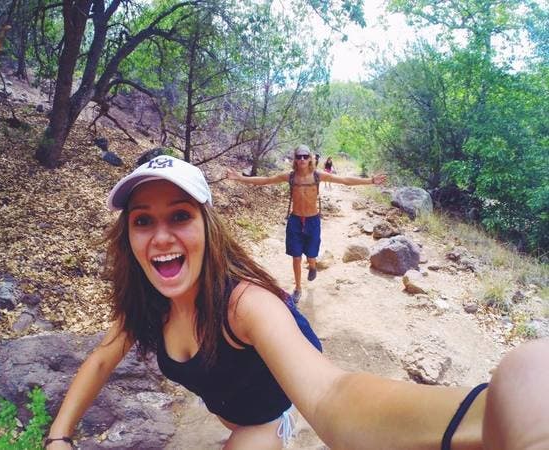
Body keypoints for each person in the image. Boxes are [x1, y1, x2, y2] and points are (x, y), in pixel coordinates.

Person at [45, 155, 549, 450]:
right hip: (230, 411)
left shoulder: (244, 305)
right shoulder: (144, 304)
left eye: (179, 216)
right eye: (142, 220)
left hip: (262, 420)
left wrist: (482, 415)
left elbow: (333, 396)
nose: (160, 236)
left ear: (205, 227)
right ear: (127, 235)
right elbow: (99, 358)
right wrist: (58, 438)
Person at [227, 144, 386, 303]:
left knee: (311, 254)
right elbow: (266, 180)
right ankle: (297, 288)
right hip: (295, 220)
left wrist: (370, 180)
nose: (302, 159)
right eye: (299, 156)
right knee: (296, 257)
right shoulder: (290, 176)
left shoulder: (317, 176)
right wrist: (240, 178)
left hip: (313, 221)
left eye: (305, 156)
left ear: (310, 158)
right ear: (295, 159)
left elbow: (344, 180)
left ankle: (312, 265)